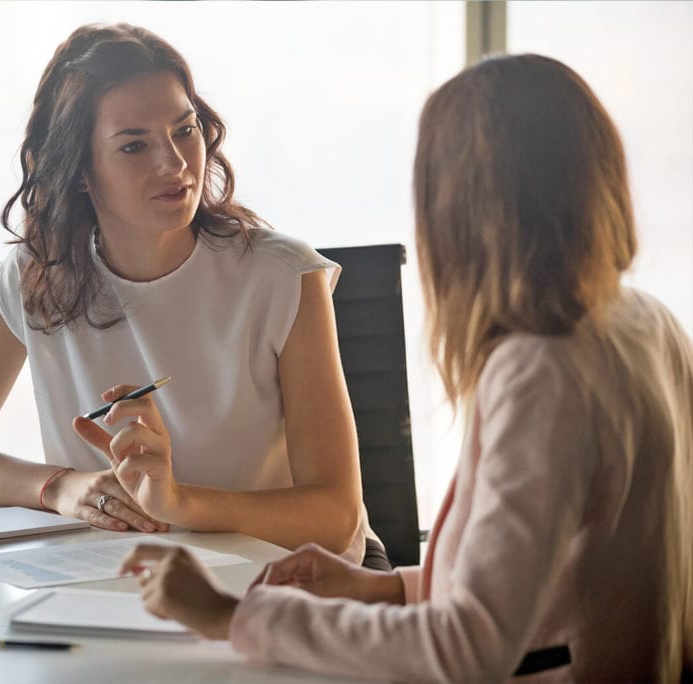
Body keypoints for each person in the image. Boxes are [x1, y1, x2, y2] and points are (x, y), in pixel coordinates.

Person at [119, 54, 693, 680]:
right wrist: (386, 591)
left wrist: (229, 617)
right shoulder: (645, 322)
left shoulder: (541, 373)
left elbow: (464, 649)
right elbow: (559, 589)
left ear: (459, 207)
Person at [0, 23, 386, 564]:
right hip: (125, 579)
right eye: (134, 145)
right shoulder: (37, 276)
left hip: (301, 577)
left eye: (185, 130)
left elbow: (335, 514)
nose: (176, 164)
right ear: (81, 171)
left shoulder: (282, 276)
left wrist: (179, 502)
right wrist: (60, 487)